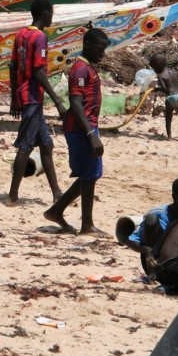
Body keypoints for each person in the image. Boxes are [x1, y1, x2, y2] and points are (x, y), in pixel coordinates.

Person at [44, 29, 110, 235]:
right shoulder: (81, 69)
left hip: (86, 127)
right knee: (89, 175)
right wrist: (92, 135)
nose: (103, 54)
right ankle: (86, 224)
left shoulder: (87, 67)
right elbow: (76, 103)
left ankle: (57, 210)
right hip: (82, 128)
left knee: (89, 175)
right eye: (100, 49)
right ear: (88, 45)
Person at [7, 0, 69, 205]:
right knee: (25, 146)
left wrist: (14, 97)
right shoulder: (39, 37)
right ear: (45, 13)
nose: (52, 17)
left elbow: (13, 66)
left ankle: (57, 193)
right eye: (51, 13)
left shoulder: (21, 34)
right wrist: (58, 99)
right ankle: (13, 195)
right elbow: (38, 72)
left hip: (26, 96)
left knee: (46, 145)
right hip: (33, 97)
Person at [124, 177, 178, 275]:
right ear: (174, 197)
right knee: (151, 220)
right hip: (154, 261)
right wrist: (146, 250)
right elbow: (130, 241)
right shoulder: (159, 213)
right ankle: (153, 272)